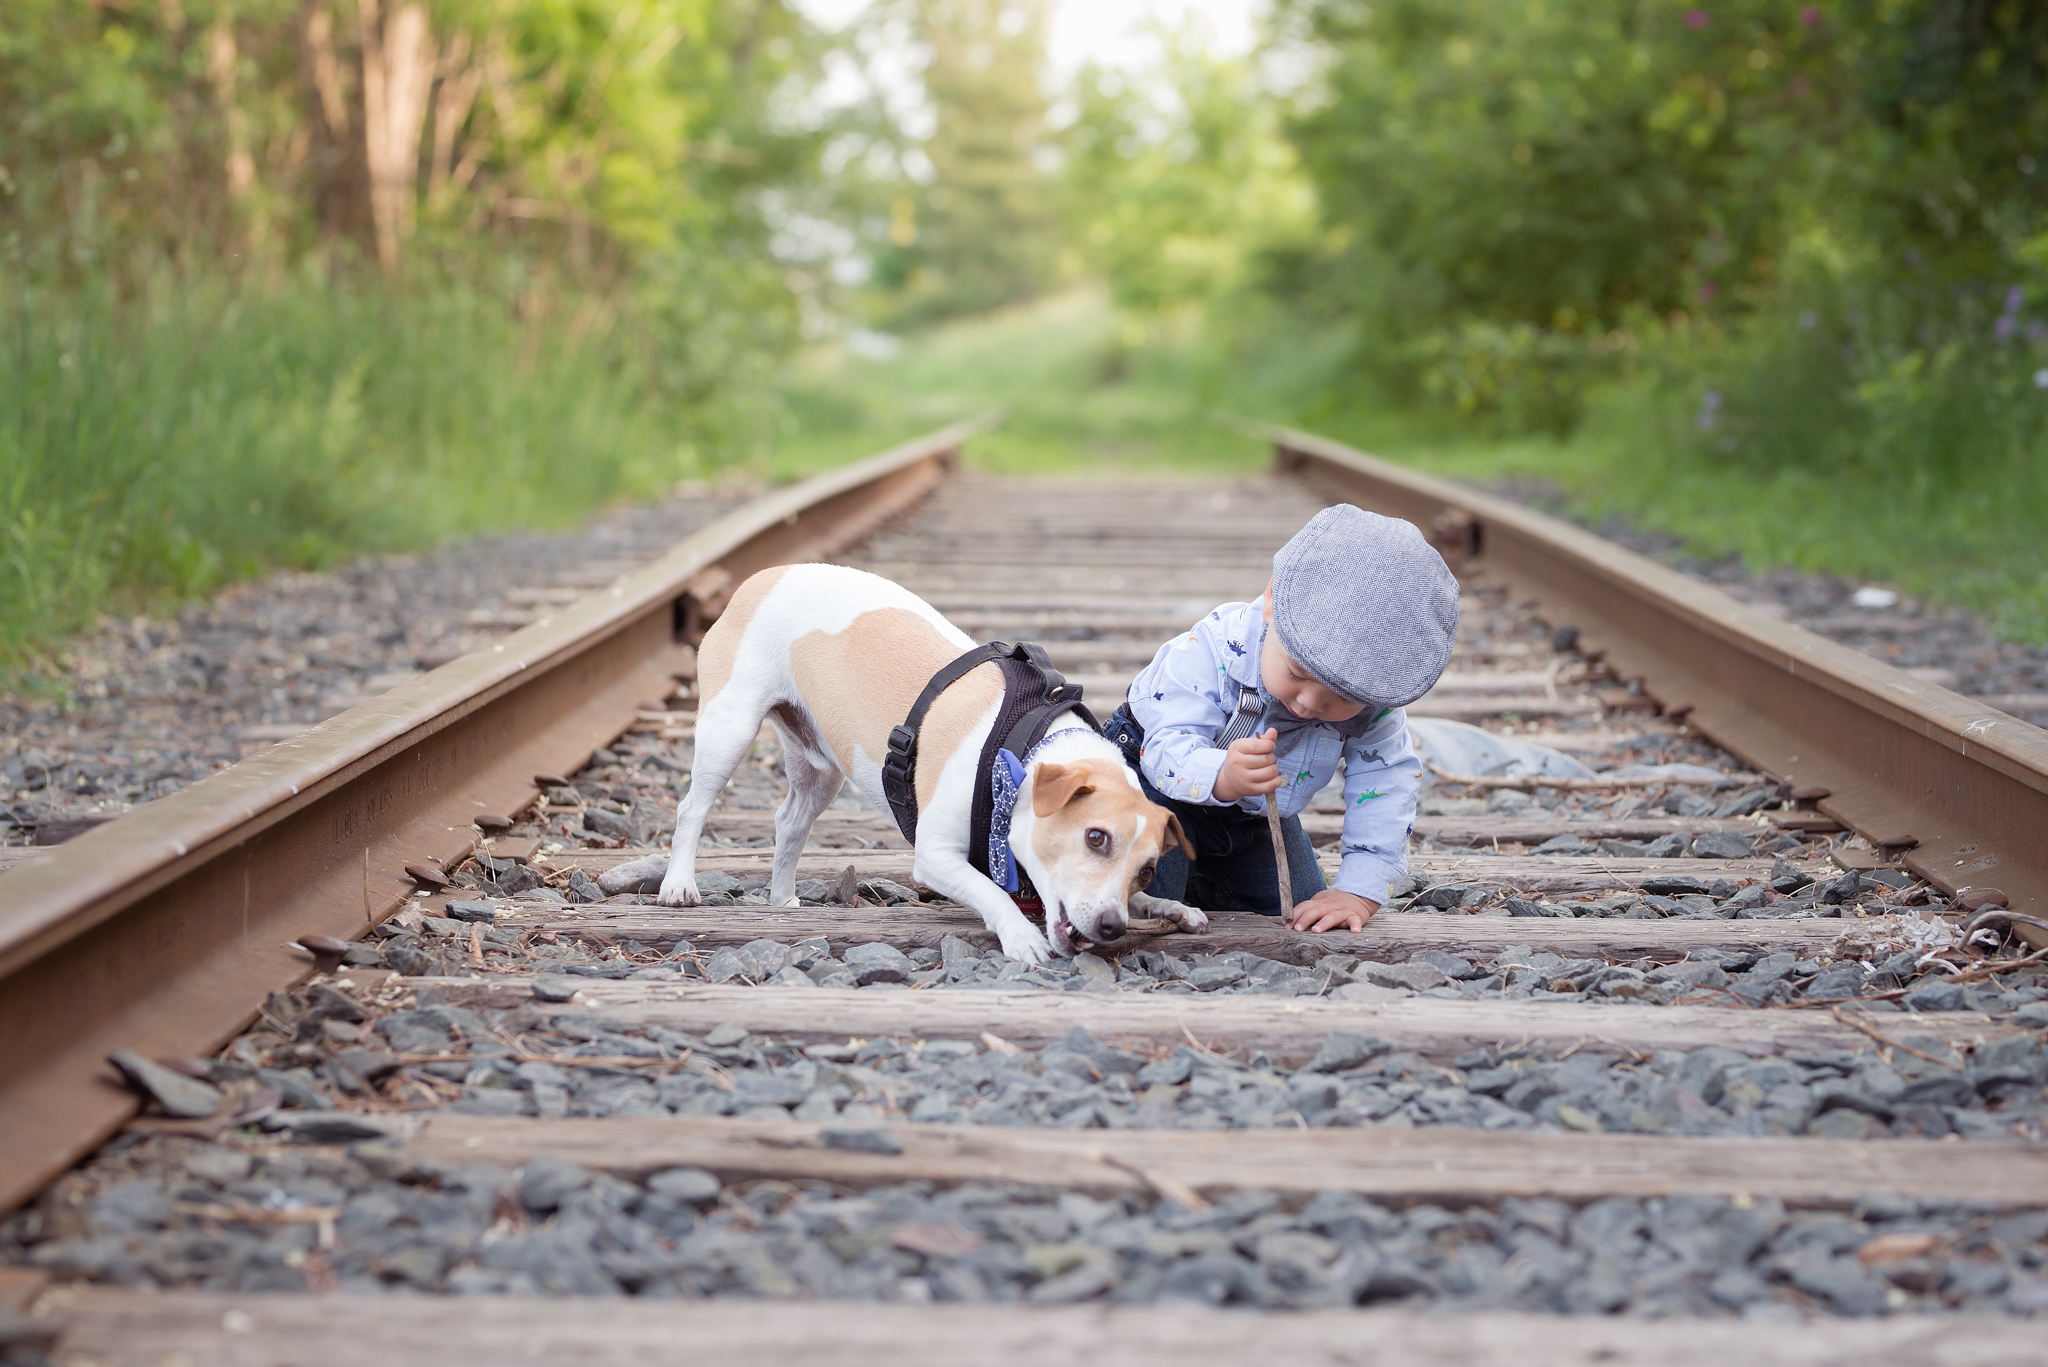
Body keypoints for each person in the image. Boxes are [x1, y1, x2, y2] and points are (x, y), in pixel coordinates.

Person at [1100, 504, 1459, 932]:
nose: (1308, 704)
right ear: (1271, 601)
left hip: (1254, 817)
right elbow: (1163, 749)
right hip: (1156, 792)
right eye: (1296, 674)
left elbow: (1387, 784)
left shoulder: (1373, 703)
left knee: (1303, 907)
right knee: (1143, 895)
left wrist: (1359, 891)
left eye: (1340, 699)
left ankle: (1211, 878)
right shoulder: (1209, 649)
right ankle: (1189, 876)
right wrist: (1223, 775)